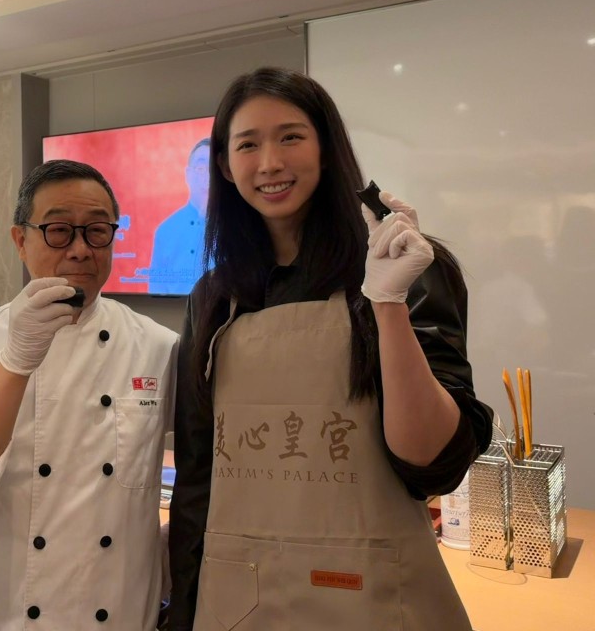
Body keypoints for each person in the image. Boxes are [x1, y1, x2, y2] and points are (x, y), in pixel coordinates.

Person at [167, 67, 493, 630]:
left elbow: (433, 465)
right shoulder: (214, 298)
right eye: (248, 144)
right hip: (240, 600)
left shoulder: (406, 268)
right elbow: (199, 477)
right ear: (225, 165)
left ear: (326, 147)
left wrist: (386, 302)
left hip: (378, 598)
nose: (269, 162)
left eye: (290, 137)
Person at [0, 160, 179, 630]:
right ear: (20, 240)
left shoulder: (157, 346)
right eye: (57, 230)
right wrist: (16, 361)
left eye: (97, 231)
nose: (79, 249)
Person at [148, 138, 212, 295]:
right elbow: (156, 291)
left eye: (212, 169)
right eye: (200, 168)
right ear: (188, 174)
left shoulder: (238, 225)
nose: (207, 177)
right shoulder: (166, 230)